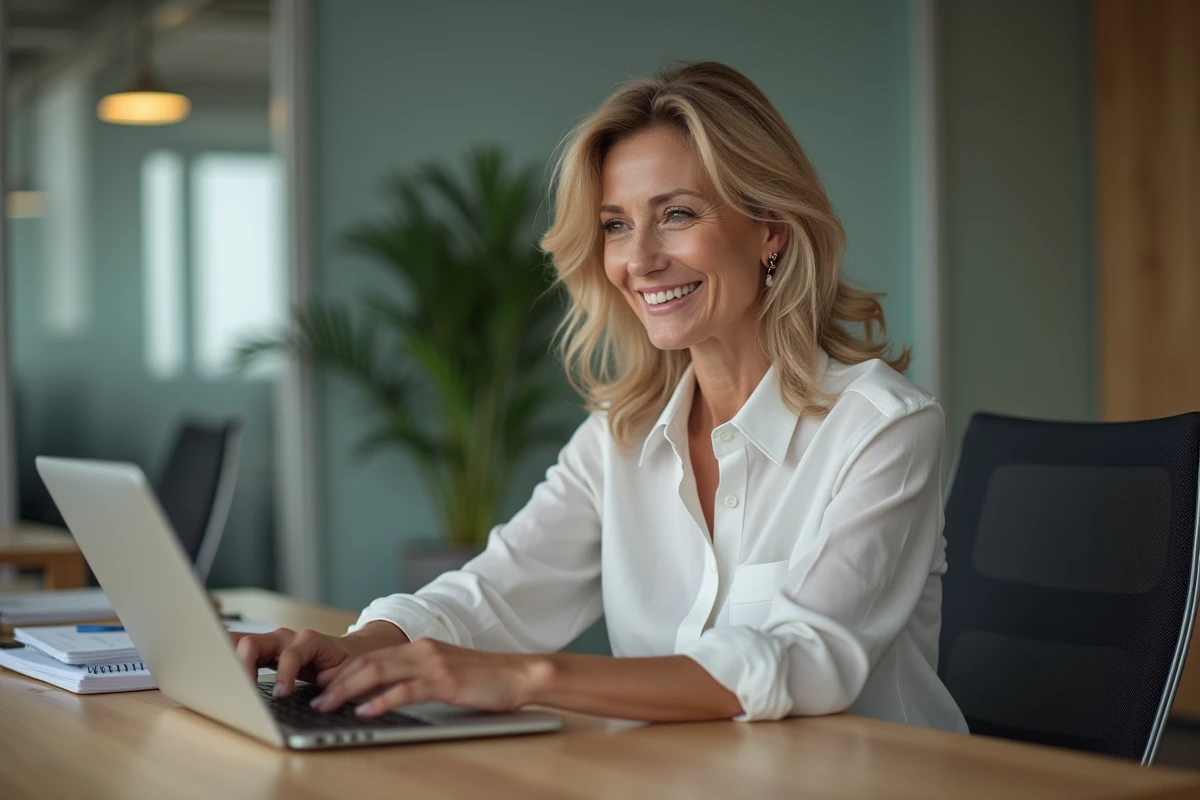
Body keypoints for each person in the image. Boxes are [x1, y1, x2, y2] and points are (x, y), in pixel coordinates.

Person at [236, 61, 968, 732]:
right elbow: (495, 592)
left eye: (677, 214)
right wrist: (357, 646)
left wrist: (525, 678)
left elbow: (801, 664)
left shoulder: (883, 429)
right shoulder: (620, 435)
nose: (639, 259)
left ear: (770, 227)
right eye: (617, 225)